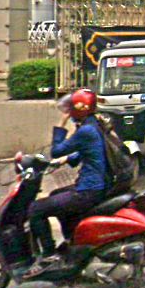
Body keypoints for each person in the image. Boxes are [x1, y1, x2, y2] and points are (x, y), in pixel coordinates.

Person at [24, 88, 109, 276]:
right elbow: (91, 151)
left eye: (71, 109)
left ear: (79, 109)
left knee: (36, 209)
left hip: (88, 190)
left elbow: (56, 150)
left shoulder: (85, 130)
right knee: (56, 195)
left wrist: (61, 125)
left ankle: (49, 254)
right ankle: (72, 243)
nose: (69, 113)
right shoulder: (95, 124)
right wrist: (67, 160)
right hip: (95, 185)